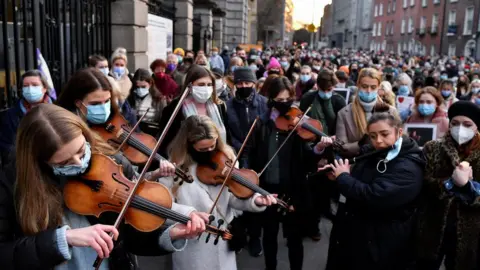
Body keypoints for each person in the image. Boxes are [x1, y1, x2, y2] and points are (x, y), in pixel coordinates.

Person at [0, 104, 209, 270]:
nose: (78, 163)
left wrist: (170, 234)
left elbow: (127, 235)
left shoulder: (112, 163)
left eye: (81, 152)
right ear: (39, 162)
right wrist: (61, 239)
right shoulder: (11, 184)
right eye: (64, 163)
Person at [159, 115, 276, 270]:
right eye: (202, 149)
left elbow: (233, 198)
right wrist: (190, 214)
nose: (209, 152)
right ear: (188, 144)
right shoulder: (174, 169)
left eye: (212, 147)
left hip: (222, 240)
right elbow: (164, 205)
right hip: (193, 243)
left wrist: (255, 201)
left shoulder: (224, 160)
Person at [322, 106, 424, 270]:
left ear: (398, 132)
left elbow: (374, 195)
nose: (378, 141)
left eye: (385, 134)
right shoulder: (374, 153)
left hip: (382, 243)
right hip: (359, 235)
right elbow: (361, 181)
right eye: (373, 136)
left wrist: (344, 178)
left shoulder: (409, 167)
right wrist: (338, 175)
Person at [245, 76, 323, 270]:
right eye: (279, 100)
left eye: (288, 99)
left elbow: (308, 159)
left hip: (294, 191)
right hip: (268, 190)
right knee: (269, 236)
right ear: (270, 99)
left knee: (295, 239)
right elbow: (250, 153)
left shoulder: (298, 124)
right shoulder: (261, 124)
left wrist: (318, 148)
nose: (285, 104)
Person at [416, 101, 480, 270]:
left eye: (467, 124)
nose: (460, 129)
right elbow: (423, 183)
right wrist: (449, 183)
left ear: (476, 127)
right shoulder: (433, 148)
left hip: (470, 228)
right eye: (455, 123)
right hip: (433, 223)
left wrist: (468, 187)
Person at [299, 68, 347, 240]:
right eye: (324, 90)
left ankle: (322, 215)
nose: (327, 93)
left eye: (330, 90)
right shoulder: (308, 99)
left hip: (333, 149)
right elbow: (301, 122)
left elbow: (343, 124)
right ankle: (312, 225)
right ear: (317, 86)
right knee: (311, 190)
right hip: (312, 147)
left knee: (326, 190)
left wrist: (336, 138)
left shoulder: (338, 100)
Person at [157, 65, 228, 157]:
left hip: (217, 158)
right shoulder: (174, 108)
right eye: (201, 84)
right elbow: (166, 141)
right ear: (190, 86)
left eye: (209, 85)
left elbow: (227, 136)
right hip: (186, 159)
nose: (206, 88)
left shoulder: (219, 105)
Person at [336, 68, 398, 157]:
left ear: (378, 87)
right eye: (364, 86)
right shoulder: (343, 113)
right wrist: (360, 144)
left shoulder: (391, 111)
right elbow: (341, 148)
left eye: (373, 87)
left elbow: (397, 141)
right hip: (357, 164)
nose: (369, 91)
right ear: (358, 85)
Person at [0, 70, 53, 167]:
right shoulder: (11, 115)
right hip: (22, 167)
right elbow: (6, 146)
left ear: (44, 88)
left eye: (34, 85)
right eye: (26, 86)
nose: (30, 89)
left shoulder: (57, 111)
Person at [127, 68, 165, 136]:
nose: (140, 90)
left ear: (150, 84)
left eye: (143, 87)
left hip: (153, 134)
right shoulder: (130, 98)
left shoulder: (159, 99)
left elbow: (163, 122)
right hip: (133, 134)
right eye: (137, 87)